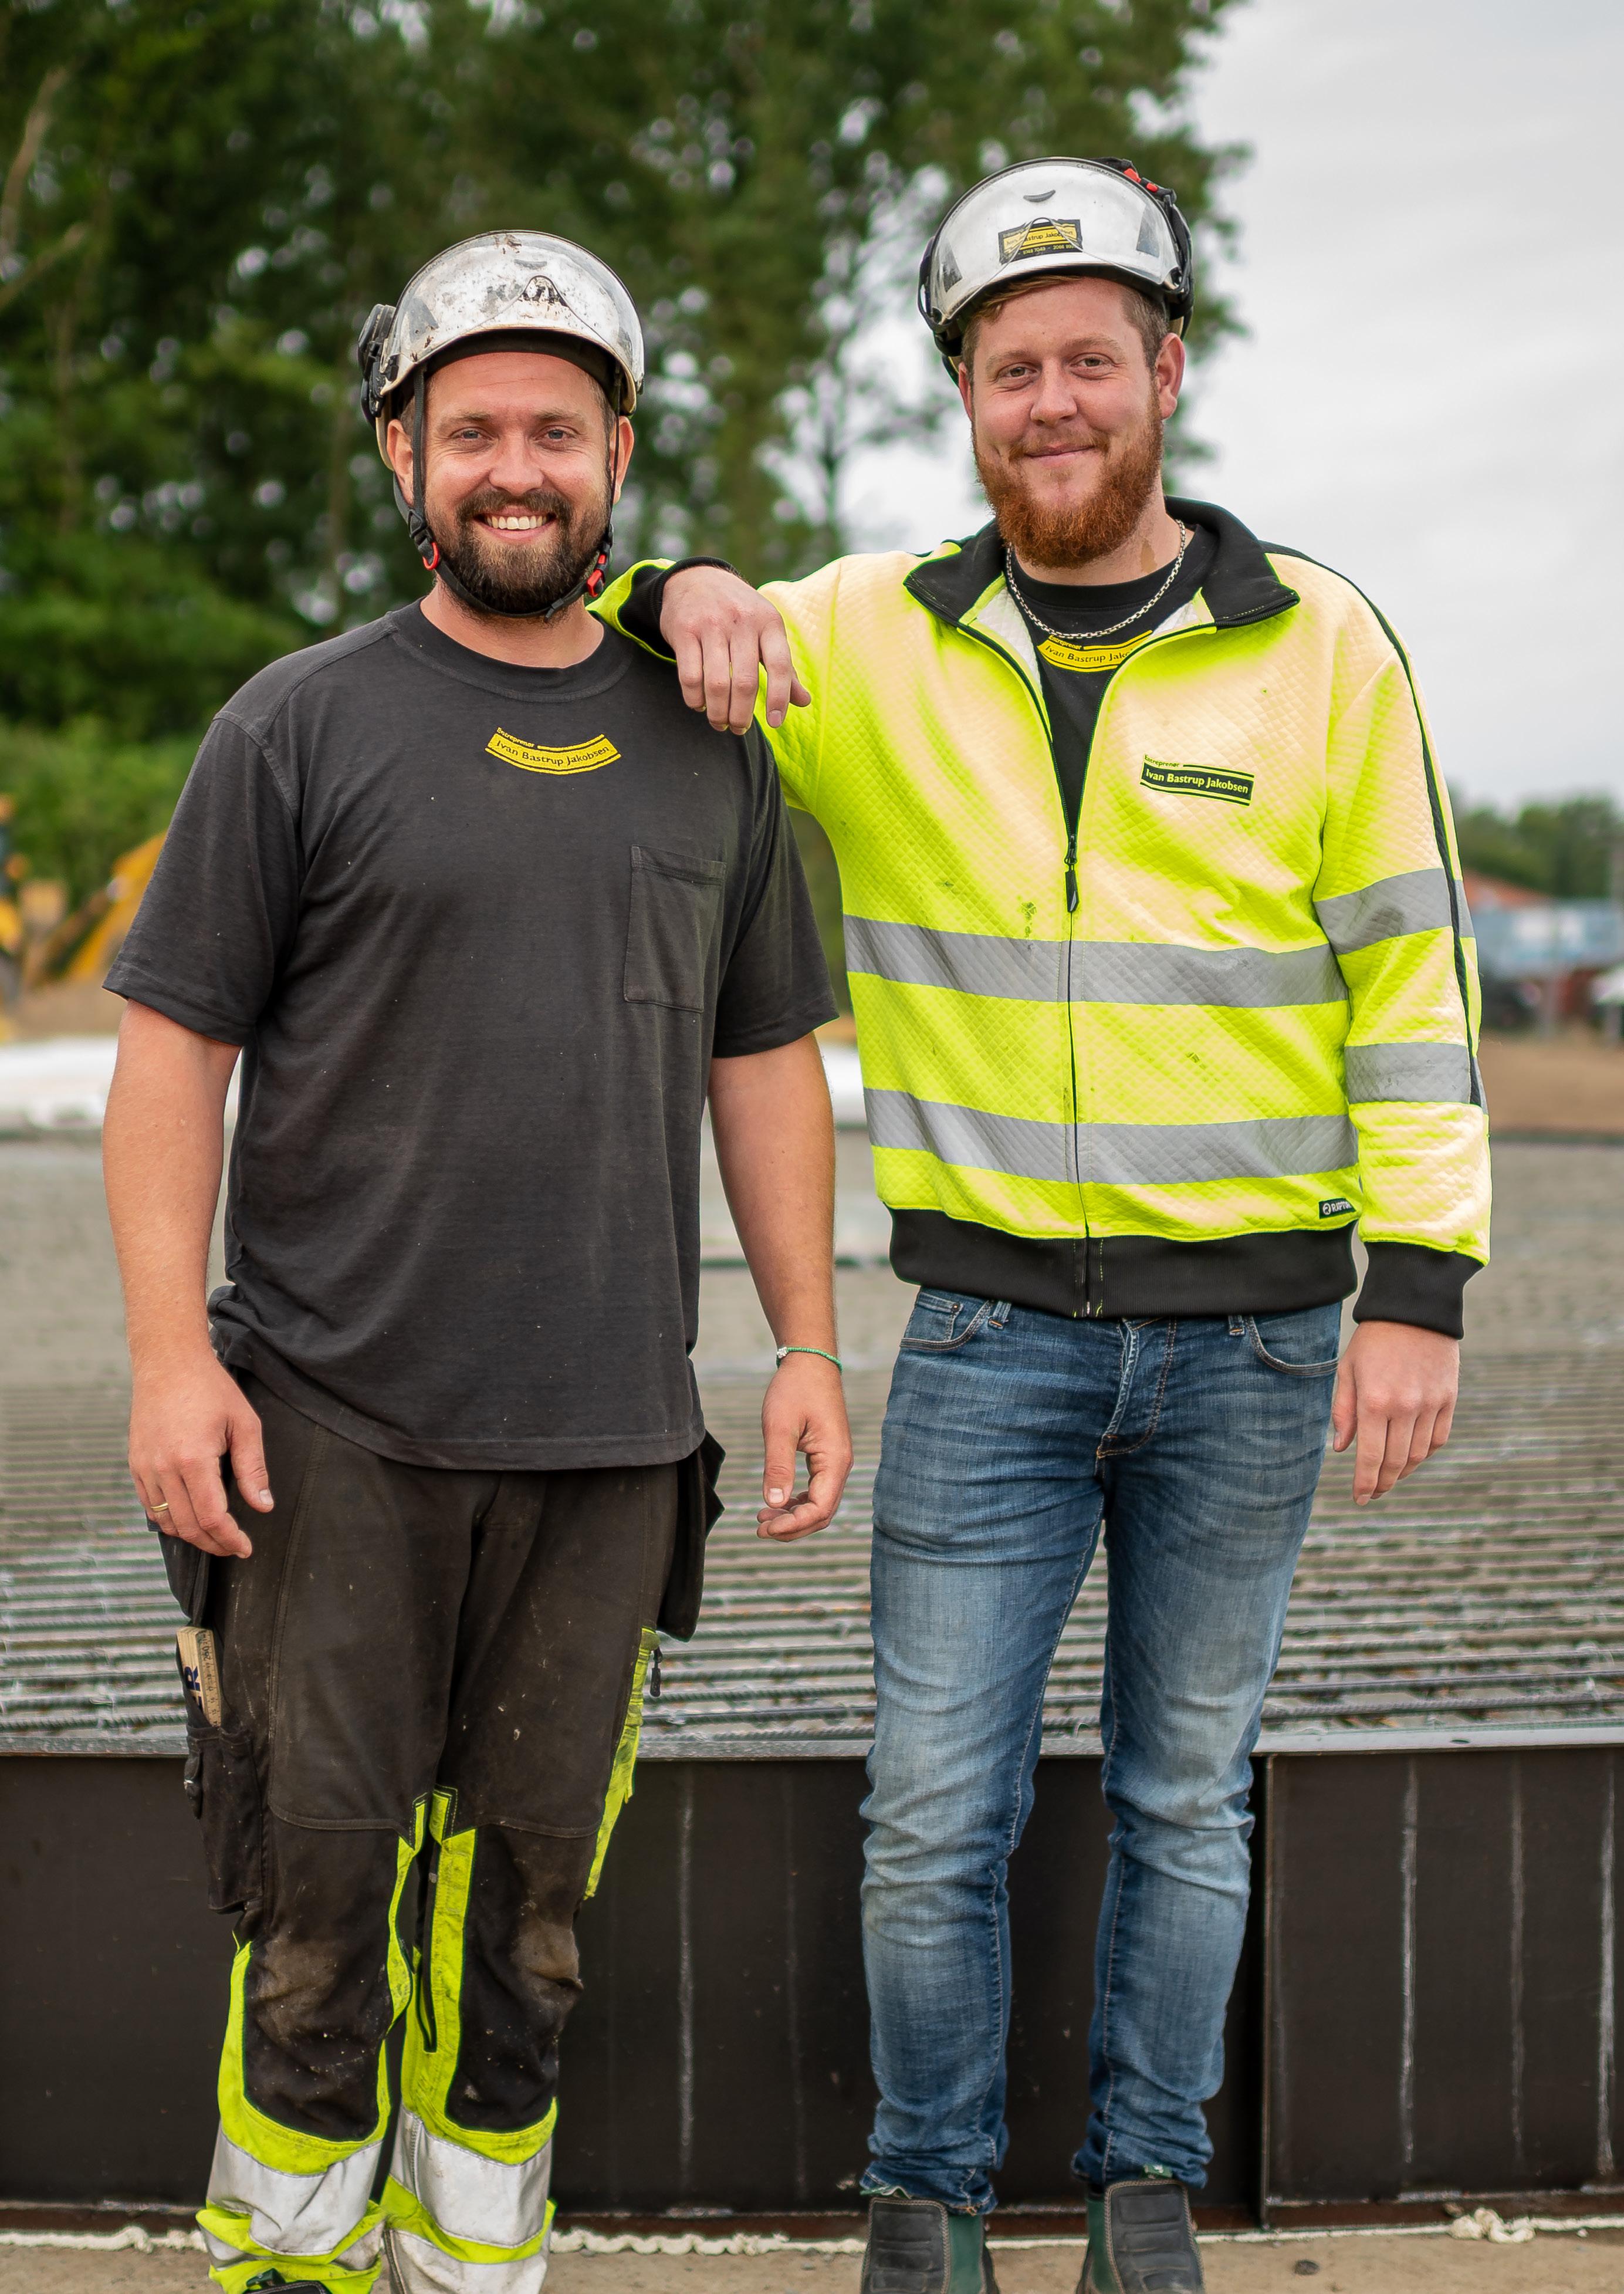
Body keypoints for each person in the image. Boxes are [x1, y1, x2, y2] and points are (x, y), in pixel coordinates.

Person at [600, 158, 1490, 2294]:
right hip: (988, 1339)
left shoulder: (1322, 646)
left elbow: (1414, 980)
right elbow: (638, 606)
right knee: (936, 1809)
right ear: (969, 401)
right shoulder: (873, 640)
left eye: (1094, 358)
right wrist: (691, 576)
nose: (1055, 402)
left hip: (1263, 1344)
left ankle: (1140, 2194)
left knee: (1189, 1795)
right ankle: (924, 2202)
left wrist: (1423, 1292)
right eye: (1014, 370)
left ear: (1167, 374)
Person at [102, 229, 850, 2294]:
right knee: (315, 1899)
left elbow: (765, 1063)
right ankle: (293, 2259)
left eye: (555, 430)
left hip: (609, 1442)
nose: (514, 467)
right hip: (327, 1429)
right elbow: (171, 1064)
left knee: (532, 1916)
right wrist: (170, 1361)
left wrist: (806, 1342)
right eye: (471, 431)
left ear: (619, 457)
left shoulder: (715, 745)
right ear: (402, 456)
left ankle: (475, 2263)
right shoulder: (297, 725)